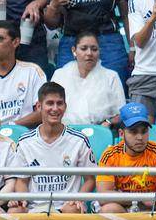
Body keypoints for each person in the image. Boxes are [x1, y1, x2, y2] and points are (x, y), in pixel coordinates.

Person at [9, 82, 95, 212]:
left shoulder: (79, 140)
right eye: (50, 103)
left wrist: (78, 198)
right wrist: (22, 198)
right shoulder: (25, 141)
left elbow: (90, 180)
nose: (55, 108)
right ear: (39, 106)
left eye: (59, 103)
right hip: (34, 208)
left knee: (73, 209)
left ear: (65, 107)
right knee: (15, 211)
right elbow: (22, 181)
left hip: (66, 206)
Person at [53, 29, 126, 125]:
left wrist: (108, 122)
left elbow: (122, 112)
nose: (89, 53)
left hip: (100, 131)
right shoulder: (60, 75)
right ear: (74, 50)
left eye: (94, 49)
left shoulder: (111, 76)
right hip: (65, 132)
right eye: (83, 48)